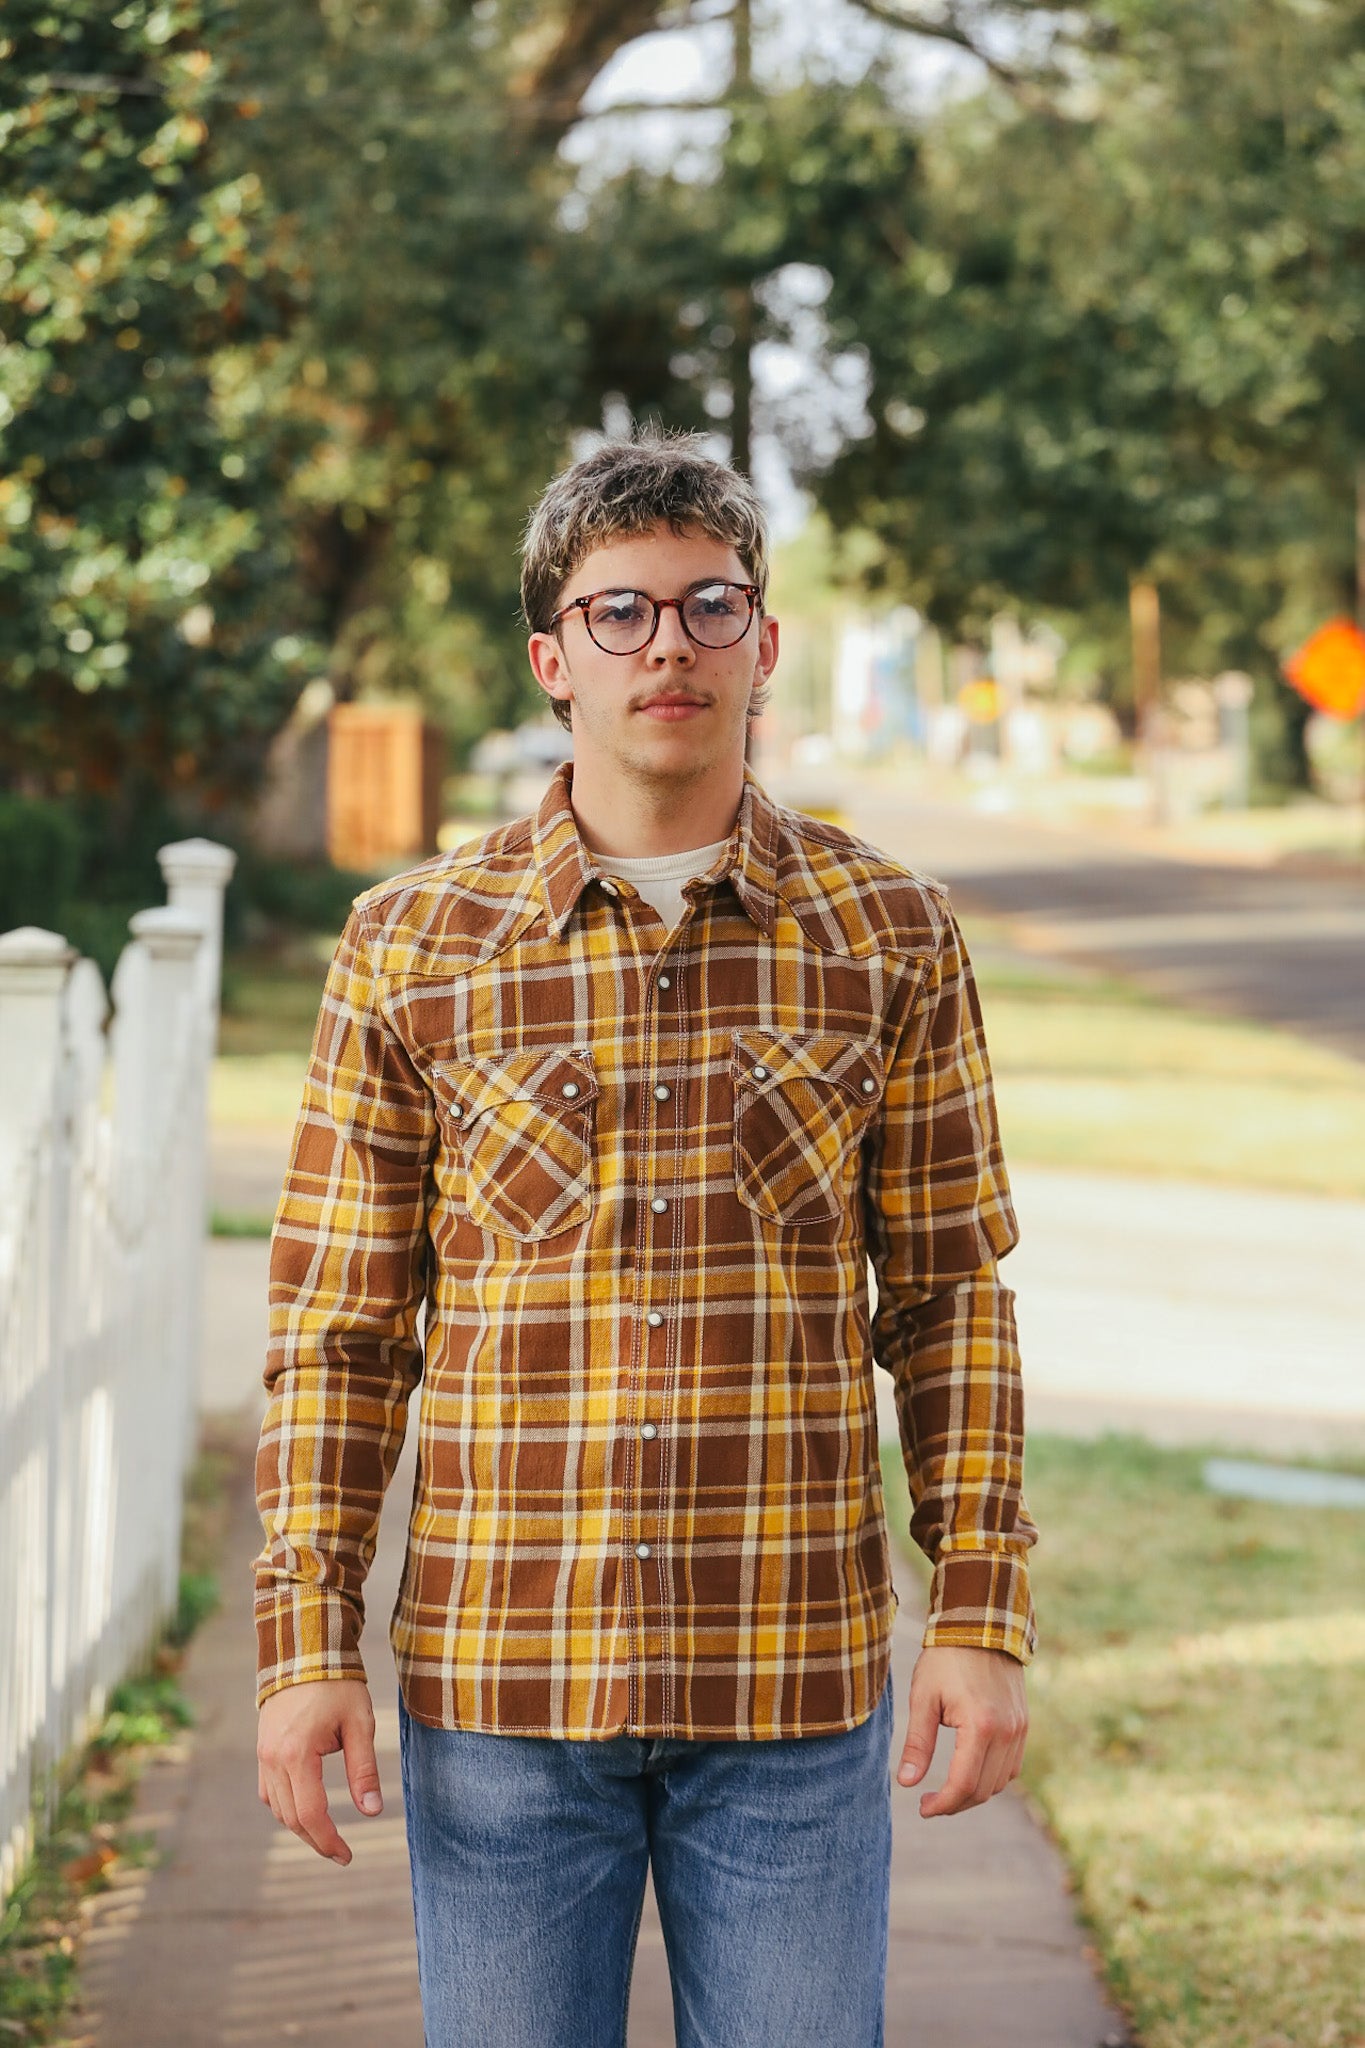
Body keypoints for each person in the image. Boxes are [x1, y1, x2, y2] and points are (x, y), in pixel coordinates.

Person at [253, 428, 1038, 2048]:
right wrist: (301, 1639)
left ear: (764, 641)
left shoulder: (889, 929)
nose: (666, 643)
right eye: (619, 613)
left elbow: (950, 1297)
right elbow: (341, 1328)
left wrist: (976, 1608)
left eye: (706, 604)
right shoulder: (410, 945)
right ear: (553, 657)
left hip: (793, 1696)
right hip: (502, 1695)